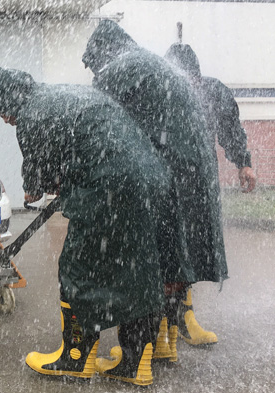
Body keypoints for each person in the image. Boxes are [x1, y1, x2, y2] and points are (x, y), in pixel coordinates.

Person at [0, 63, 171, 386]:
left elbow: (35, 187)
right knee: (133, 264)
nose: (4, 119)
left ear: (11, 100)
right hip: (149, 176)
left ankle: (76, 357)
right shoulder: (64, 95)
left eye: (1, 112)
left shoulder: (32, 113)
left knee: (78, 265)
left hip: (108, 181)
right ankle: (136, 360)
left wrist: (38, 186)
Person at [82, 20, 227, 363]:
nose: (95, 72)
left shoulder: (119, 69)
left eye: (93, 65)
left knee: (146, 256)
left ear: (102, 53)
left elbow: (100, 123)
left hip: (170, 167)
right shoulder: (150, 63)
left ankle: (138, 352)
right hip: (195, 169)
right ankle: (165, 341)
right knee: (174, 256)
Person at [163, 43, 257, 349]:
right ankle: (164, 325)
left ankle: (182, 318)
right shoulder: (161, 92)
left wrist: (243, 163)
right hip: (166, 185)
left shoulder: (211, 92)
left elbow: (230, 128)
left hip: (198, 188)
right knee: (170, 250)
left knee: (190, 250)